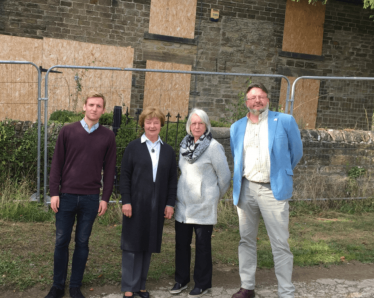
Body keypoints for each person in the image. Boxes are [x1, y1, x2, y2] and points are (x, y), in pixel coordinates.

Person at [230, 83, 303, 298]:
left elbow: (296, 152)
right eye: (252, 97)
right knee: (246, 240)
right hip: (246, 189)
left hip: (273, 190)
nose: (257, 101)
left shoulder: (285, 121)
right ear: (246, 102)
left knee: (280, 243)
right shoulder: (236, 127)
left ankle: (286, 291)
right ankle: (247, 287)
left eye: (261, 96)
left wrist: (279, 173)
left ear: (268, 99)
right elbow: (237, 158)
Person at [45, 91, 117, 298]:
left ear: (103, 111)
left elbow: (110, 169)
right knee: (61, 241)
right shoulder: (68, 131)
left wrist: (105, 198)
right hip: (66, 196)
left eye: (99, 106)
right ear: (84, 107)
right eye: (91, 105)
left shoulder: (108, 136)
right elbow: (56, 164)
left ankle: (75, 285)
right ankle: (58, 285)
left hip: (91, 198)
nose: (94, 109)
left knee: (83, 242)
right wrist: (54, 193)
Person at [170, 108, 231, 298]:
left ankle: (203, 283)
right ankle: (181, 279)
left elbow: (225, 177)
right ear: (189, 126)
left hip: (204, 206)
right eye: (193, 123)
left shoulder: (213, 147)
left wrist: (212, 196)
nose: (196, 126)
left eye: (200, 123)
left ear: (206, 126)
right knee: (181, 243)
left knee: (202, 246)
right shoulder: (184, 146)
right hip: (183, 204)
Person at [120, 107, 178, 298]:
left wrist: (170, 203)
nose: (152, 126)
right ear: (142, 124)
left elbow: (172, 180)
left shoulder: (168, 151)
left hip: (157, 204)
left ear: (161, 124)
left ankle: (141, 285)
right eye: (148, 122)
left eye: (156, 122)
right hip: (135, 204)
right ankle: (129, 287)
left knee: (148, 243)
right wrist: (126, 201)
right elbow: (125, 176)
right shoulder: (133, 147)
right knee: (132, 244)